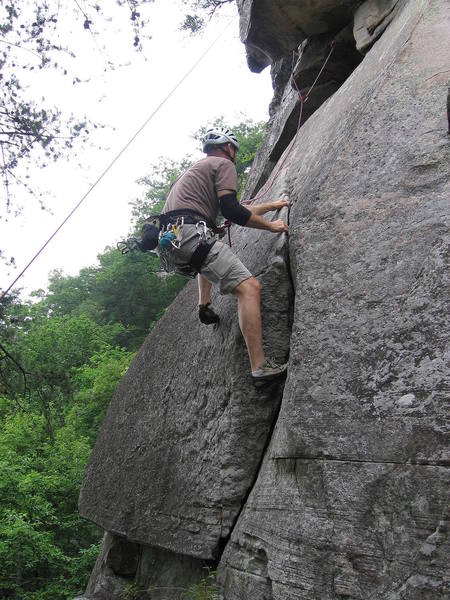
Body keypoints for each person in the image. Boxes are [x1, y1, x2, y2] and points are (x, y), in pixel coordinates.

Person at [157, 126, 289, 384]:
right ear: (229, 147)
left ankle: (204, 304)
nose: (235, 155)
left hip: (172, 244)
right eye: (235, 150)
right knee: (249, 288)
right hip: (191, 235)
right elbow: (232, 211)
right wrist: (272, 225)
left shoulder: (192, 172)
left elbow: (236, 209)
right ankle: (260, 367)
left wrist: (273, 205)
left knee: (208, 245)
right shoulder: (223, 164)